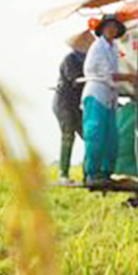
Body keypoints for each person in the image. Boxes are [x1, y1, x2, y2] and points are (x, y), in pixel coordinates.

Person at [81, 14, 136, 185]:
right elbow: (107, 73)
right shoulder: (98, 47)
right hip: (97, 92)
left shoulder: (113, 48)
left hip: (109, 95)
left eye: (115, 27)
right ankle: (91, 173)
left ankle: (105, 173)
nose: (112, 30)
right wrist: (130, 77)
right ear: (102, 29)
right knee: (95, 134)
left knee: (111, 136)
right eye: (109, 26)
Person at [52, 32, 90, 180]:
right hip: (64, 103)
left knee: (89, 136)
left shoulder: (87, 60)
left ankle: (88, 172)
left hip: (77, 104)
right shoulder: (70, 60)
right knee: (68, 135)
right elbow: (75, 79)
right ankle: (63, 173)